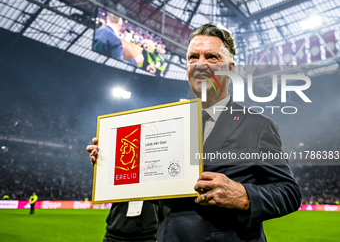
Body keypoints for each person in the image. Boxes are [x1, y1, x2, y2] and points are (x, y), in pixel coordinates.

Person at [88, 24, 301, 241]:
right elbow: (148, 184)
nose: (200, 65)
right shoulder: (166, 124)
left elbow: (289, 192)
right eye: (193, 57)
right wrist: (111, 162)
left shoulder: (257, 125)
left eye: (212, 57)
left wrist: (245, 196)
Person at [87, 138, 158, 242]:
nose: (123, 151)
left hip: (149, 235)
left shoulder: (156, 157)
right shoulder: (117, 153)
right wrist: (102, 160)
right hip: (115, 235)